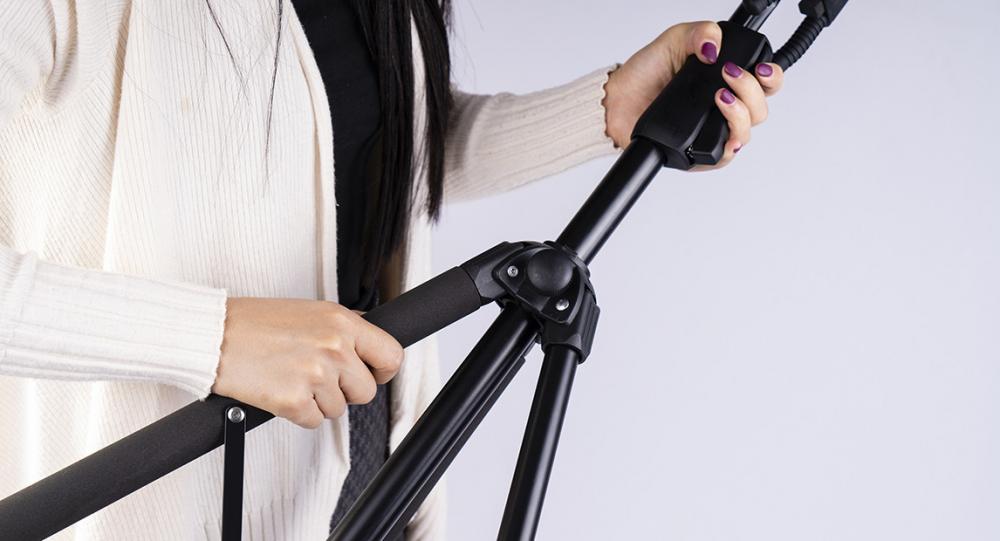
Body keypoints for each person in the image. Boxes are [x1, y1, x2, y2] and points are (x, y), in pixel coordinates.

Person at [0, 0, 783, 539]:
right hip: (163, 493)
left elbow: (378, 146)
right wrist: (217, 338)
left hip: (372, 462)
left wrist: (609, 107)